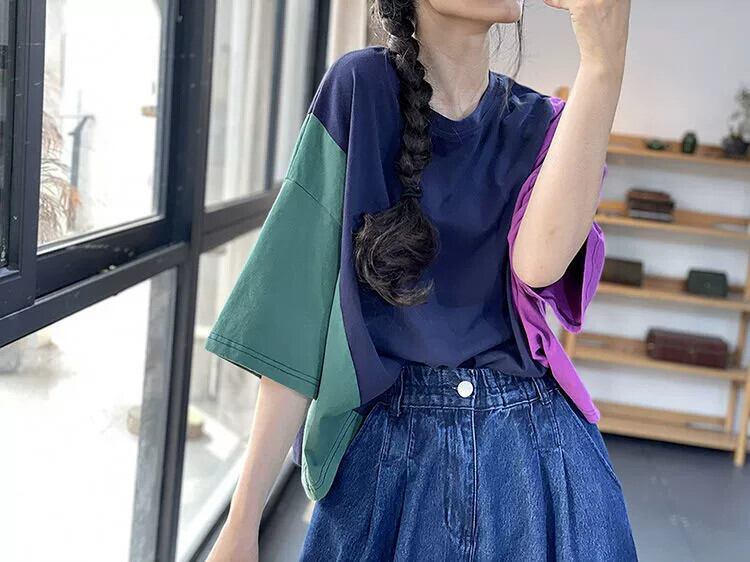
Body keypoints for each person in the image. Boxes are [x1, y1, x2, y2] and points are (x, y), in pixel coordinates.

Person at [206, 0, 637, 560]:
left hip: (538, 459)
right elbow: (296, 318)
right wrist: (243, 521)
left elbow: (539, 266)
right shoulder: (358, 89)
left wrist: (603, 66)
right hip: (390, 462)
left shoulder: (542, 123)